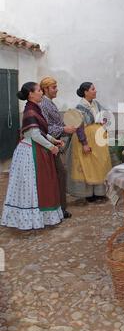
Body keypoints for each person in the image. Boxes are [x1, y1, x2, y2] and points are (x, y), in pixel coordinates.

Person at [1, 82, 64, 230]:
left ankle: (41, 217)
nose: (41, 93)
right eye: (39, 91)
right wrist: (52, 147)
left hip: (37, 149)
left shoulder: (34, 108)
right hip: (31, 152)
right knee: (33, 186)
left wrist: (53, 140)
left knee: (39, 185)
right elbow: (33, 134)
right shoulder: (30, 111)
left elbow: (41, 131)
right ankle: (29, 219)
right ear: (30, 94)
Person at [66, 82, 112, 203]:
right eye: (93, 89)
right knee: (88, 166)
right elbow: (79, 126)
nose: (95, 91)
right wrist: (84, 143)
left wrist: (104, 121)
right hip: (86, 139)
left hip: (98, 139)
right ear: (86, 92)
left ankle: (99, 193)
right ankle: (89, 194)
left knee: (99, 164)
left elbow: (105, 114)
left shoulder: (96, 104)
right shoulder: (79, 107)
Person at [40, 76, 77, 219]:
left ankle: (59, 208)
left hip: (53, 143)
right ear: (45, 89)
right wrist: (64, 130)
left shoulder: (49, 103)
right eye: (54, 87)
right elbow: (45, 127)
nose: (57, 89)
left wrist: (64, 128)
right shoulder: (43, 104)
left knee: (59, 175)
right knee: (60, 174)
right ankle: (60, 208)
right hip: (47, 145)